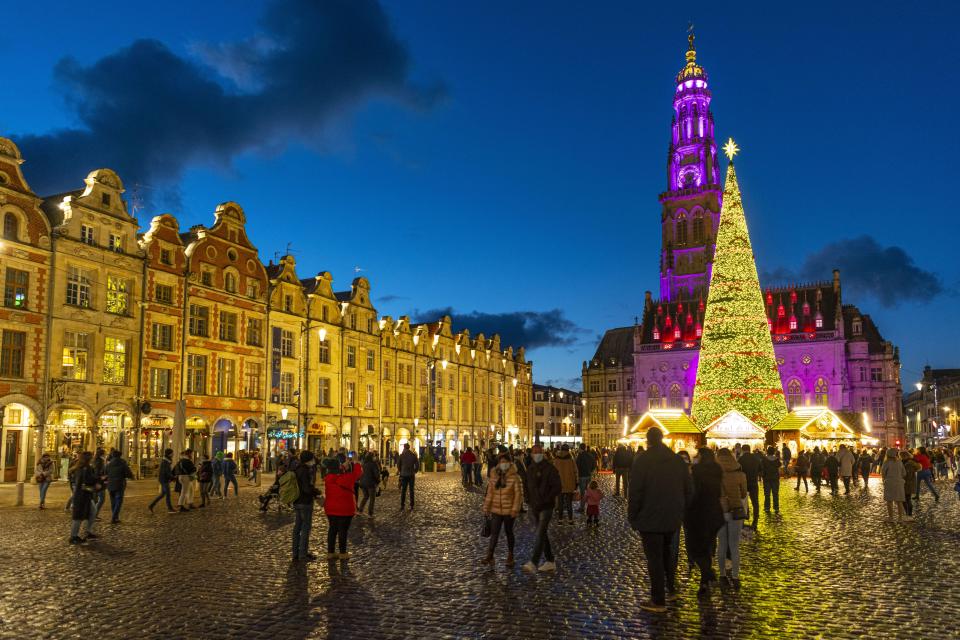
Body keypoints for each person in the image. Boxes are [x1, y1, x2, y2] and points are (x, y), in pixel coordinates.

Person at [628, 427, 692, 613]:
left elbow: (636, 492)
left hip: (649, 517)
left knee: (654, 558)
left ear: (648, 441)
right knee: (668, 554)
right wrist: (681, 510)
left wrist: (632, 516)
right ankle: (671, 590)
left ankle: (658, 600)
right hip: (672, 517)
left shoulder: (643, 461)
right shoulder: (676, 461)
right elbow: (689, 489)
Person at [684, 447, 724, 598]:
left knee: (696, 550)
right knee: (707, 547)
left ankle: (707, 573)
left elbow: (694, 492)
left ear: (701, 456)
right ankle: (705, 580)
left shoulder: (697, 470)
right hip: (714, 513)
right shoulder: (717, 469)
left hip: (699, 514)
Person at [522, 444, 561, 574]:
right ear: (532, 454)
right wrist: (528, 499)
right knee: (542, 533)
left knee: (540, 532)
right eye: (534, 452)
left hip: (546, 506)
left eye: (539, 452)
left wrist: (548, 498)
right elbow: (526, 485)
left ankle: (534, 562)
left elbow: (557, 486)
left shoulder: (550, 468)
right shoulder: (530, 469)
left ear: (542, 453)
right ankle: (550, 561)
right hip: (535, 505)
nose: (536, 454)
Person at [482, 453, 523, 566]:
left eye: (505, 461)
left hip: (509, 510)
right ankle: (490, 556)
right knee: (494, 533)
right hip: (496, 510)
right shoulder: (494, 475)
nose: (503, 464)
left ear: (510, 463)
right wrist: (486, 507)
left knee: (509, 532)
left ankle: (510, 556)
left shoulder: (515, 477)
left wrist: (515, 509)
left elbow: (518, 494)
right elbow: (490, 493)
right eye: (501, 461)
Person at [323, 452, 363, 559]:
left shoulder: (328, 479)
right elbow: (357, 473)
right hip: (345, 509)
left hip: (331, 509)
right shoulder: (347, 478)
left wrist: (343, 467)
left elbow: (337, 472)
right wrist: (355, 462)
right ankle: (342, 553)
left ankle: (330, 552)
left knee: (332, 530)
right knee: (343, 531)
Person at [717, 448, 747, 590]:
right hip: (736, 512)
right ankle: (735, 576)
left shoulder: (714, 474)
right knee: (734, 546)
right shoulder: (740, 474)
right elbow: (743, 494)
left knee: (721, 544)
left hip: (720, 512)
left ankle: (722, 575)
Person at [291, 451, 322, 561]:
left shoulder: (297, 468)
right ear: (309, 459)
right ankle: (303, 554)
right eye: (312, 458)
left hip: (297, 501)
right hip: (305, 502)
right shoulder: (305, 471)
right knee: (305, 528)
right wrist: (316, 492)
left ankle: (295, 552)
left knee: (297, 527)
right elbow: (307, 488)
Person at [69, 452, 101, 544]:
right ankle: (73, 536)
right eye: (92, 457)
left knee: (93, 511)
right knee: (78, 516)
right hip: (81, 495)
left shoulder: (82, 468)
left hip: (85, 494)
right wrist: (98, 480)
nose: (93, 458)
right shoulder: (84, 468)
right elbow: (87, 480)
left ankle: (88, 531)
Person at [881, 449, 913, 522]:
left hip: (889, 482)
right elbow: (904, 473)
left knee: (889, 501)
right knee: (899, 501)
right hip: (899, 482)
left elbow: (883, 473)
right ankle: (900, 518)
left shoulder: (886, 462)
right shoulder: (899, 462)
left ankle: (891, 517)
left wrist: (885, 478)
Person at [104, 450, 133, 524]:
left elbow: (105, 473)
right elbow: (128, 473)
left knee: (113, 502)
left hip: (110, 485)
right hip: (119, 484)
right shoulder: (123, 463)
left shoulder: (108, 464)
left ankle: (115, 517)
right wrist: (130, 476)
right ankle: (114, 517)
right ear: (120, 455)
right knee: (119, 501)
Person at [551, 444, 578, 524]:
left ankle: (560, 520)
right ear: (568, 450)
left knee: (560, 502)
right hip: (569, 484)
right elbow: (575, 471)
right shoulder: (571, 459)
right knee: (569, 502)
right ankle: (570, 520)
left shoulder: (556, 460)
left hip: (559, 484)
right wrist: (576, 482)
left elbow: (553, 473)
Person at [738, 445, 761, 530]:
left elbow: (738, 471)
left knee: (743, 502)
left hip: (743, 483)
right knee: (755, 503)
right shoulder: (756, 459)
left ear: (742, 450)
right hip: (754, 483)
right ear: (749, 449)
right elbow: (760, 470)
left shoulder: (740, 459)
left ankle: (744, 518)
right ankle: (755, 521)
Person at [148, 449, 176, 513]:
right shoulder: (165, 462)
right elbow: (166, 472)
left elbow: (167, 471)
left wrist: (171, 477)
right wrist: (172, 477)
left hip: (163, 479)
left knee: (163, 494)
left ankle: (151, 505)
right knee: (168, 494)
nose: (173, 454)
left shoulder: (167, 461)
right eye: (172, 453)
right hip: (164, 480)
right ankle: (170, 508)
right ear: (169, 454)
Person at [575, 443, 597, 513]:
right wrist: (590, 470)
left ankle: (582, 507)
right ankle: (589, 506)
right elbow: (594, 464)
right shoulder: (590, 455)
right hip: (588, 475)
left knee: (582, 493)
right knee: (588, 491)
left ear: (580, 448)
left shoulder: (580, 456)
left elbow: (577, 466)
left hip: (582, 476)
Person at [358, 452, 381, 517]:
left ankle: (360, 510)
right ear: (372, 457)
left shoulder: (363, 464)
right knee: (372, 498)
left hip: (363, 483)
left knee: (365, 496)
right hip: (371, 483)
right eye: (374, 456)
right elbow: (376, 474)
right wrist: (378, 481)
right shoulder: (373, 464)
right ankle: (370, 513)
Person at [398, 443, 419, 511]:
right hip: (411, 475)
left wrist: (401, 471)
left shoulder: (401, 455)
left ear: (404, 447)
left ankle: (402, 505)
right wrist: (415, 471)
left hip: (404, 475)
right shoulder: (413, 455)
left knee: (403, 491)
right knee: (411, 490)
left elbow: (398, 465)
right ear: (409, 447)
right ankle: (412, 505)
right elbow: (417, 464)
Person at [760, 446, 781, 515]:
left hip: (767, 478)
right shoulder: (777, 459)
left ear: (767, 451)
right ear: (773, 452)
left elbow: (761, 468)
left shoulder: (764, 459)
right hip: (775, 478)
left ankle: (767, 507)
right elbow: (779, 465)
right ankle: (776, 507)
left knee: (767, 494)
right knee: (775, 494)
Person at [901, 451, 920, 517]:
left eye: (901, 456)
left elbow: (908, 475)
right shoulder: (908, 462)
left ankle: (909, 514)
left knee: (906, 499)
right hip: (908, 483)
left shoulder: (909, 464)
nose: (900, 457)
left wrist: (902, 477)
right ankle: (908, 514)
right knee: (906, 499)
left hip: (908, 484)